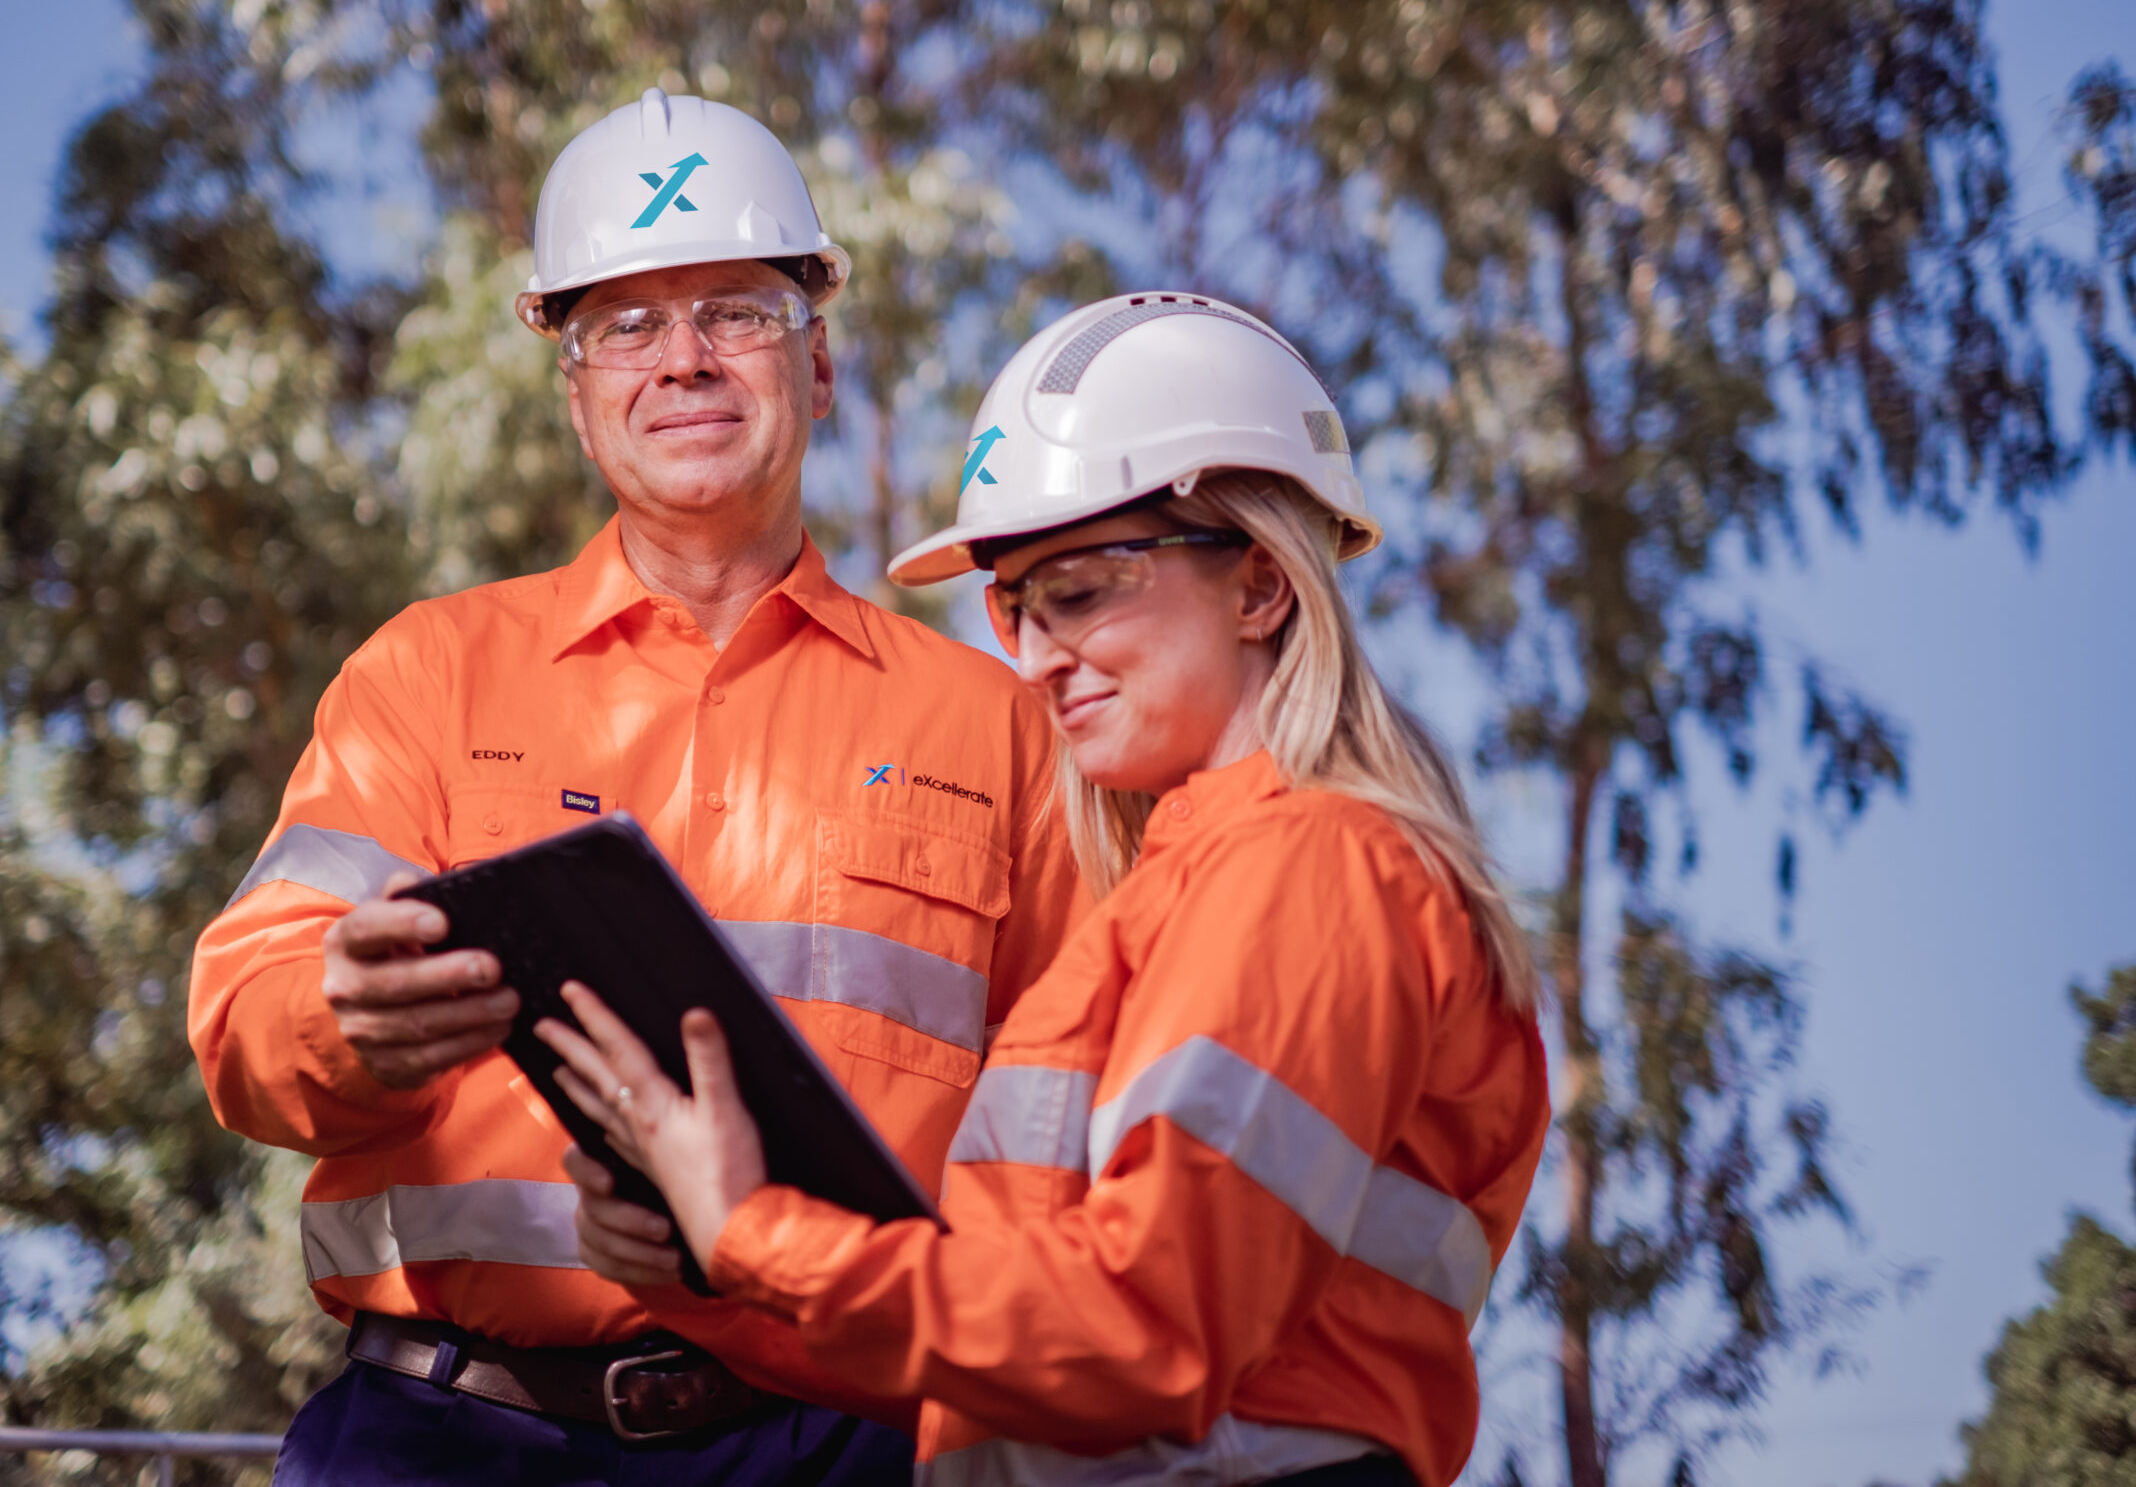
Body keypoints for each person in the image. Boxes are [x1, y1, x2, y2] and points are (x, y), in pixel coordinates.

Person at [190, 89, 1085, 1484]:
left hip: (854, 1450)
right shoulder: (426, 676)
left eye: (736, 308)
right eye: (627, 323)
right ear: (575, 386)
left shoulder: (999, 728)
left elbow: (1085, 1139)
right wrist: (342, 1012)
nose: (685, 360)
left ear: (822, 359)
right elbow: (243, 1028)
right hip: (444, 1437)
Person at [539, 293, 1553, 1487]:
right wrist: (706, 1275)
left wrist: (758, 1230)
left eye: (1077, 589)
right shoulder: (1162, 901)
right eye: (1013, 605)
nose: (1035, 654)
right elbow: (1000, 1345)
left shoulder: (1315, 867)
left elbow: (1148, 1327)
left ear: (1261, 586)